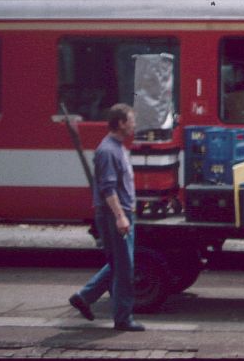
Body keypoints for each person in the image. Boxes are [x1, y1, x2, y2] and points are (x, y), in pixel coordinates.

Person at [69, 103, 145, 331]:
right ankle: (123, 318)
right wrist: (121, 216)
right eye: (131, 120)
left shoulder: (118, 147)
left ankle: (84, 296)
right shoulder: (108, 151)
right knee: (125, 268)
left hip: (121, 212)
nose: (134, 125)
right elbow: (108, 189)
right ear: (120, 123)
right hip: (115, 215)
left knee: (119, 263)